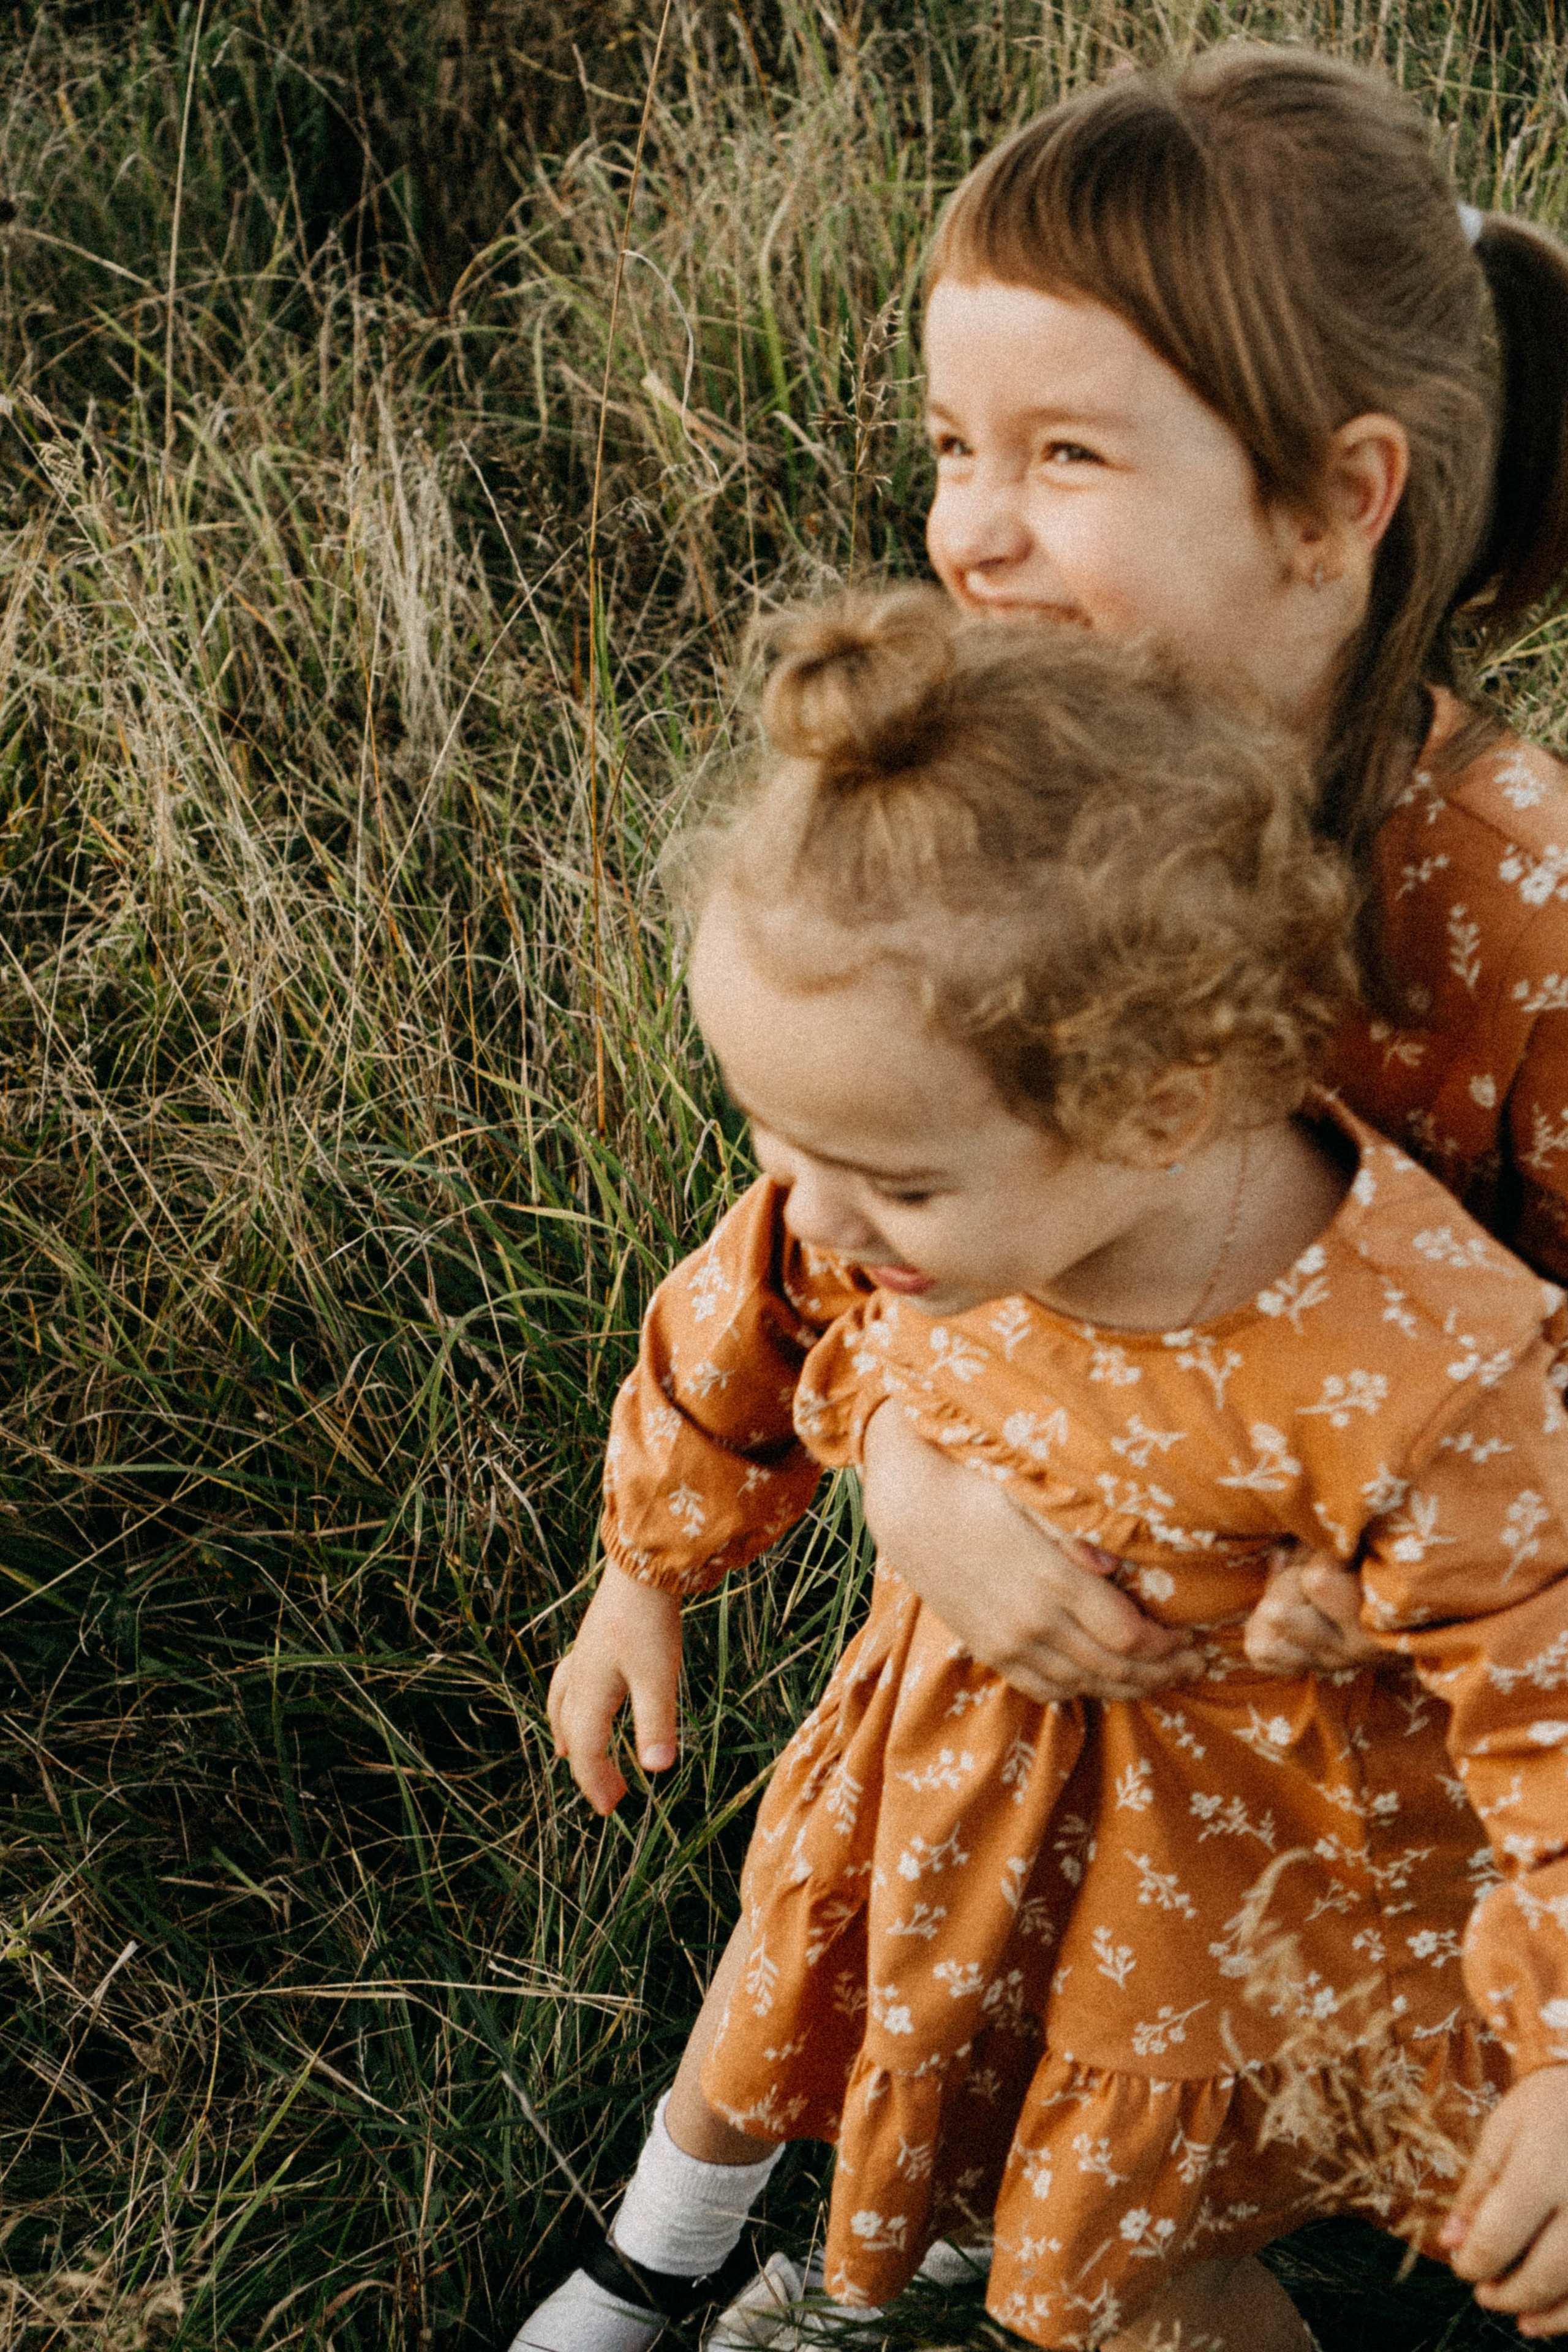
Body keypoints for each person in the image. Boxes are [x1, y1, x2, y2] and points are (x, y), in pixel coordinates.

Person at [518, 589, 1568, 2352]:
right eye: (781, 1137)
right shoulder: (898, 1178)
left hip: (1236, 1849)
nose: (820, 1209)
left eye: (889, 1184)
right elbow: (748, 1316)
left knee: (1117, 2265)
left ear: (1160, 1109)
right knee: (825, 1983)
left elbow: (1554, 1702)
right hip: (957, 1741)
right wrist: (645, 1573)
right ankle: (671, 2261)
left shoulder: (1415, 1365)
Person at [846, 40, 1568, 1716]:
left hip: (1330, 1809)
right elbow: (849, 1187)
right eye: (955, 447)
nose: (970, 534)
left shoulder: (1514, 911)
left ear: (1334, 498)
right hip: (984, 1705)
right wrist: (902, 1464)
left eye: (1066, 459)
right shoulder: (998, 793)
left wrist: (1405, 1549)